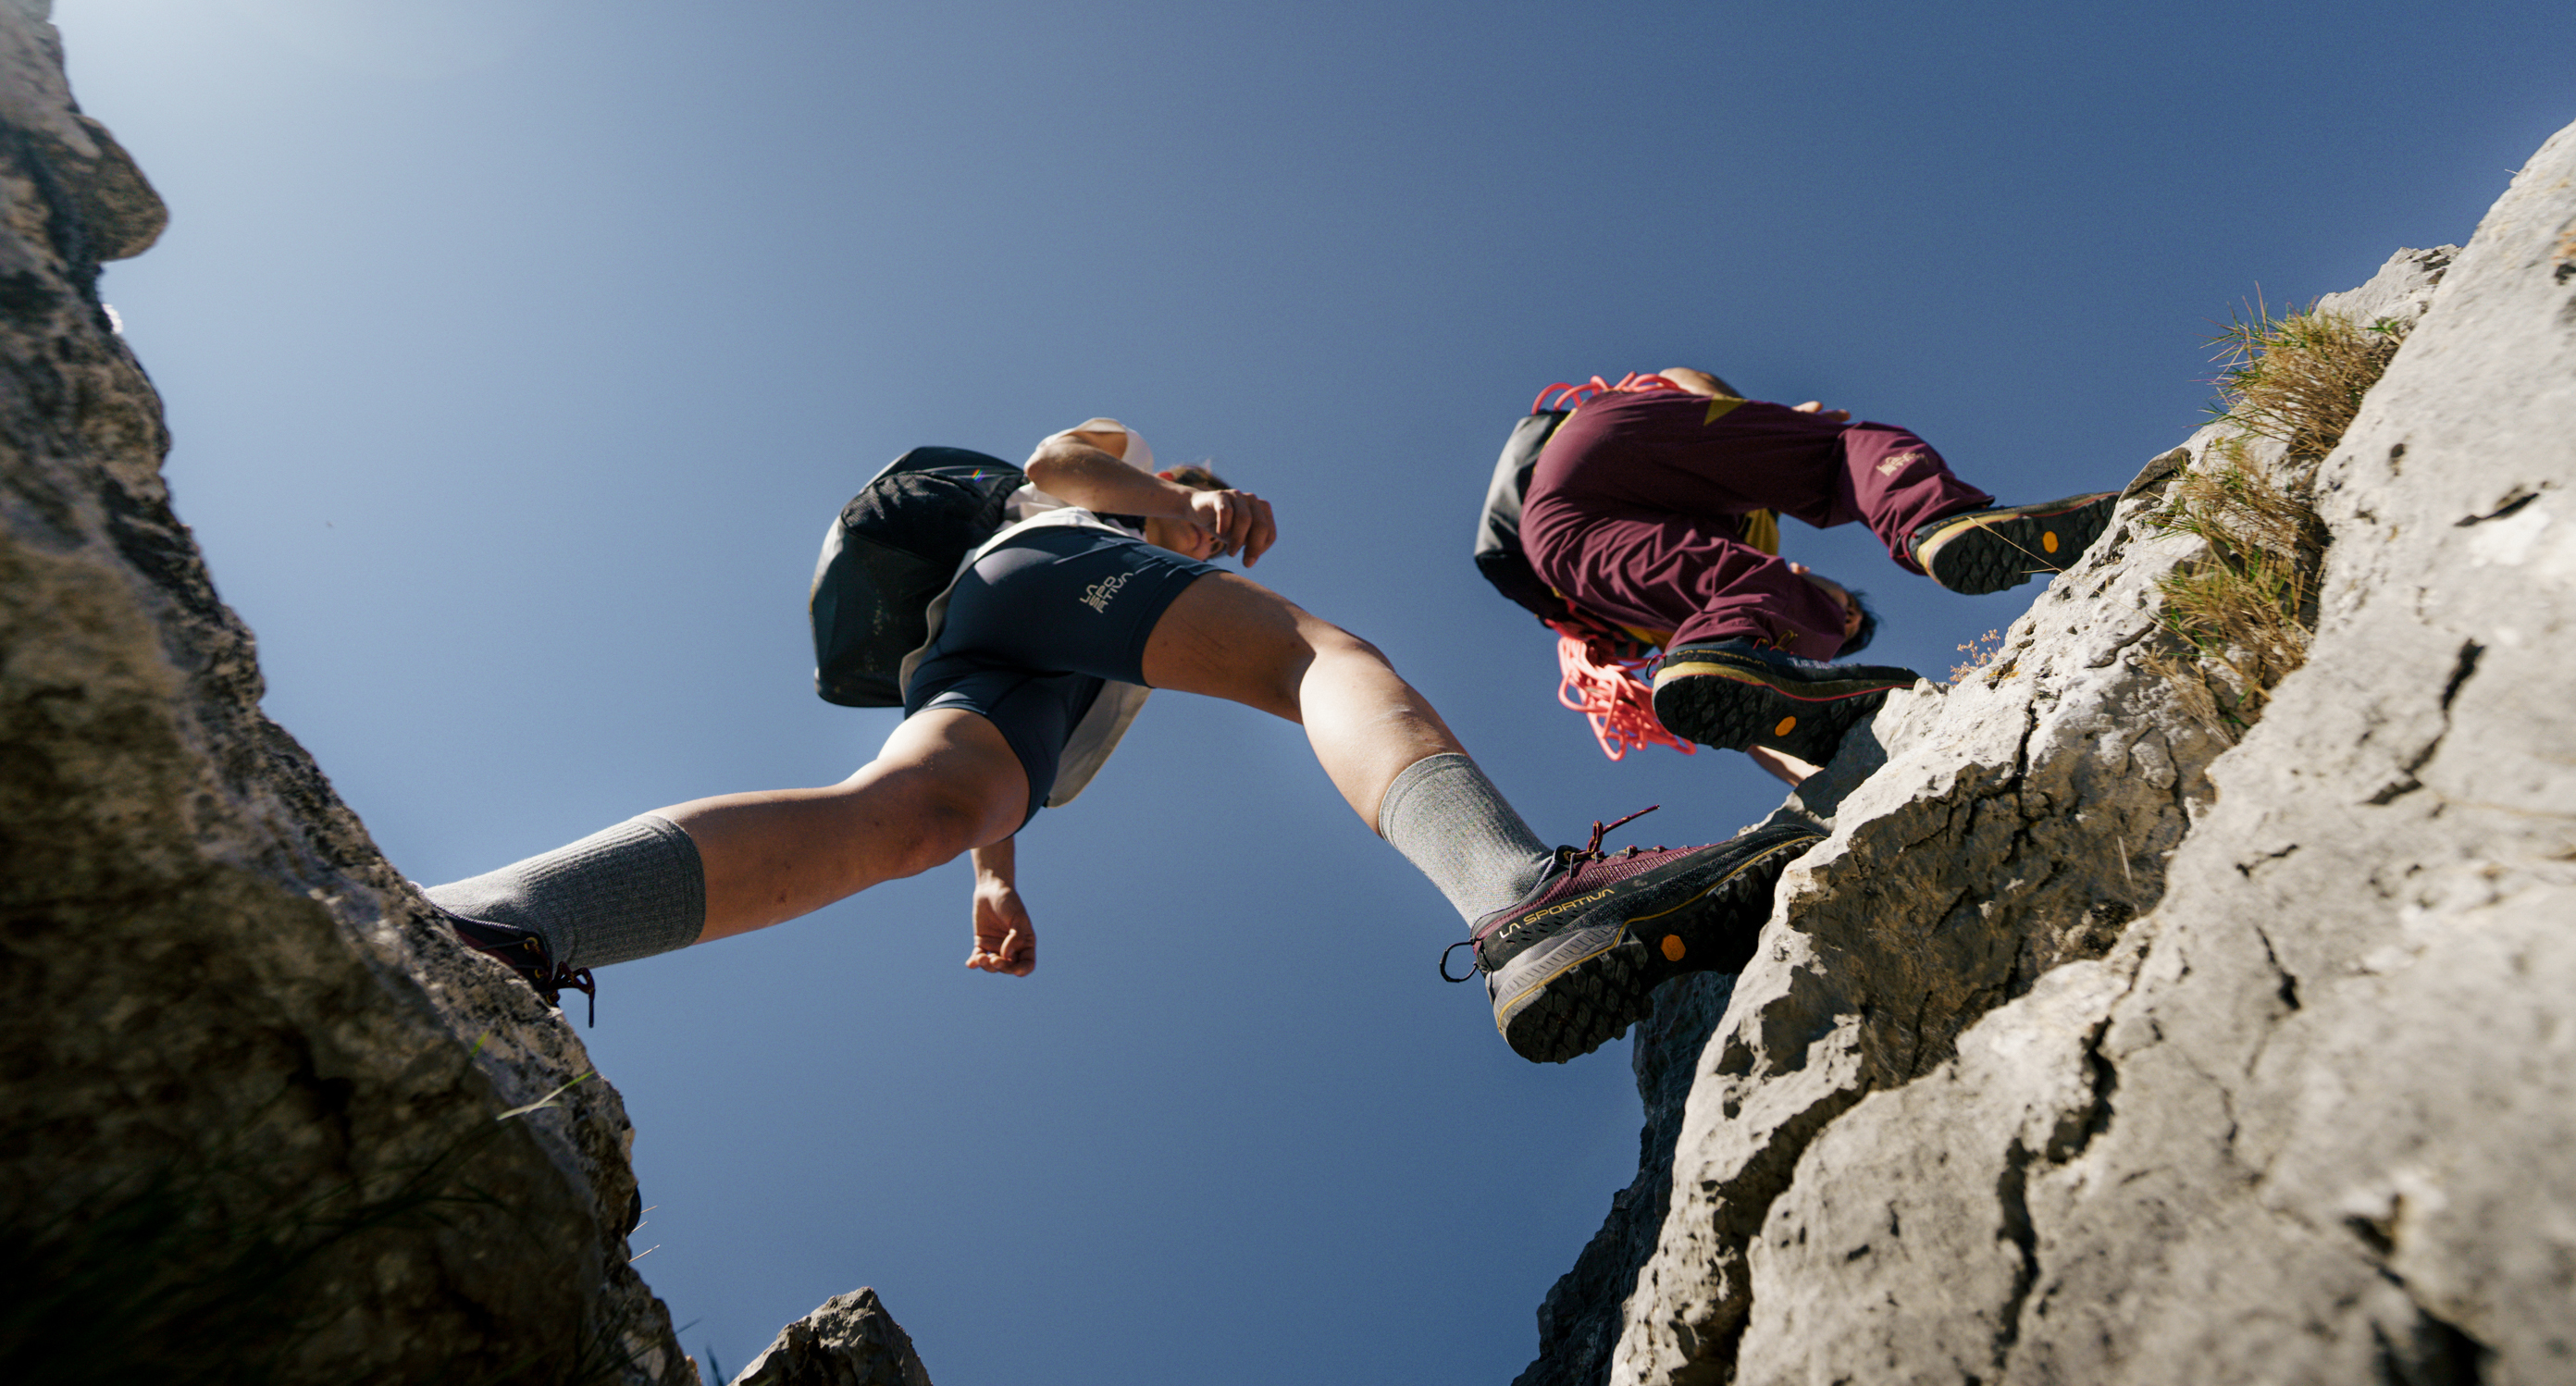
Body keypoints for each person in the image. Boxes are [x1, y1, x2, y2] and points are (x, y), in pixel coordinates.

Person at [428, 418, 1821, 1064]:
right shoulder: (1124, 495)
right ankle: (1526, 899)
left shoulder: (1110, 615)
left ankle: (508, 920)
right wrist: (1184, 501)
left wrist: (996, 874)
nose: (1214, 514)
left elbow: (989, 775)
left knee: (898, 820)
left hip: (997, 679)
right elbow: (1051, 465)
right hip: (1027, 583)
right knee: (1317, 658)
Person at [1517, 369, 2118, 767]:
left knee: (1732, 652)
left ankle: (1934, 528)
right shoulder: (1761, 545)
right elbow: (1684, 379)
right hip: (1608, 437)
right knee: (1838, 448)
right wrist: (1764, 418)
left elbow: (1736, 705)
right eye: (1847, 606)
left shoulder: (1717, 594)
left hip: (1554, 540)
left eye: (1844, 622)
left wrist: (1829, 785)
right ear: (1805, 569)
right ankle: (1936, 518)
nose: (1846, 614)